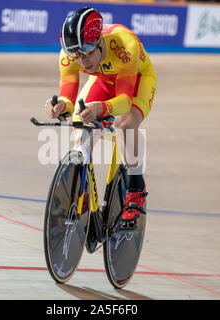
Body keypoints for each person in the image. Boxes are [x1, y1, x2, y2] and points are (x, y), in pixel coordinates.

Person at [45, 7, 156, 221]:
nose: (83, 61)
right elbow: (68, 98)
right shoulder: (70, 55)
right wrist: (60, 106)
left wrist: (100, 108)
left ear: (99, 42)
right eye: (77, 55)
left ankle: (136, 187)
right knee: (80, 122)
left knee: (125, 124)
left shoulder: (125, 46)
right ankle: (82, 187)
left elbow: (124, 101)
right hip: (104, 81)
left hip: (138, 80)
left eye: (87, 52)